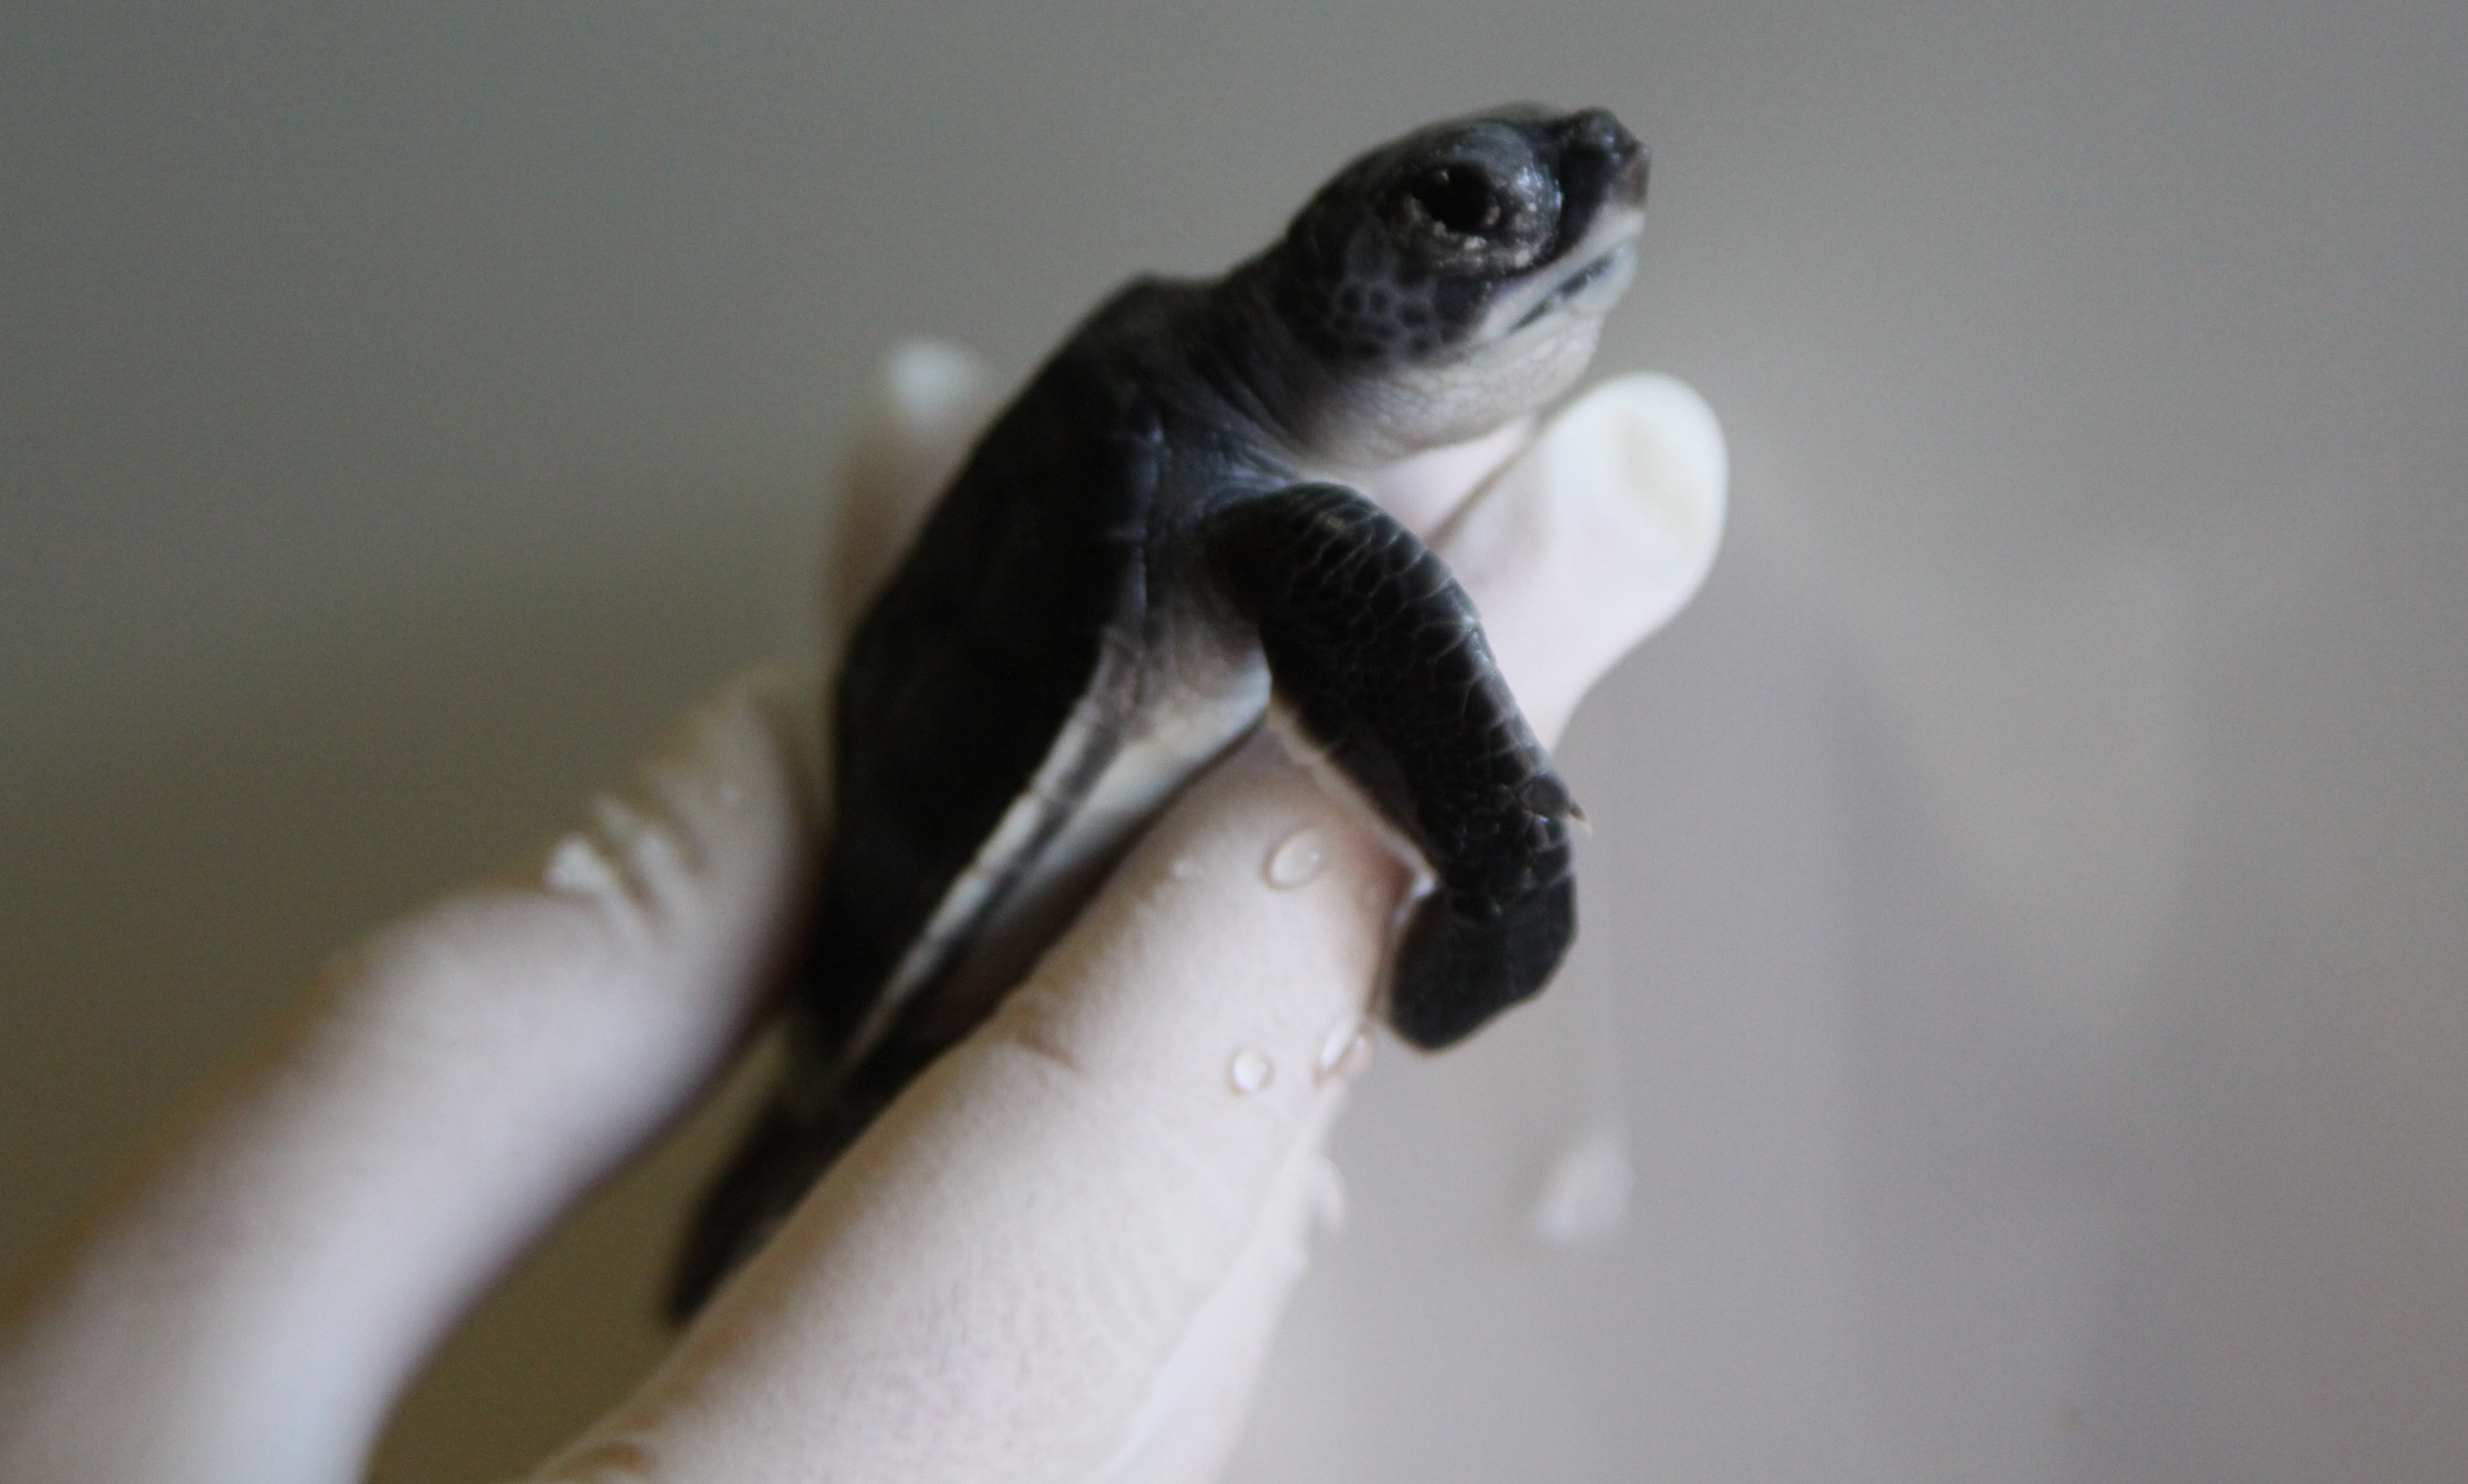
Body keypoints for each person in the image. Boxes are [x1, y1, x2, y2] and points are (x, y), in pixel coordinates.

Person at [0, 347, 1724, 1484]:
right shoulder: (1244, 492)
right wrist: (1500, 835)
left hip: (913, 873)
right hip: (905, 915)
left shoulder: (1211, 453)